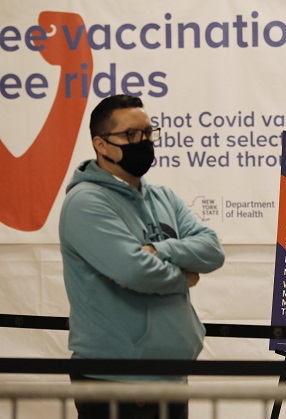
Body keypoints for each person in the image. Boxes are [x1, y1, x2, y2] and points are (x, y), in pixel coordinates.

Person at [59, 94, 225, 419]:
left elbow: (212, 249)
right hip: (116, 380)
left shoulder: (163, 197)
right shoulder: (85, 203)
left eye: (148, 133)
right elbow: (135, 271)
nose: (144, 142)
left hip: (169, 375)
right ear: (101, 145)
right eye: (131, 135)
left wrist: (162, 250)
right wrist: (185, 277)